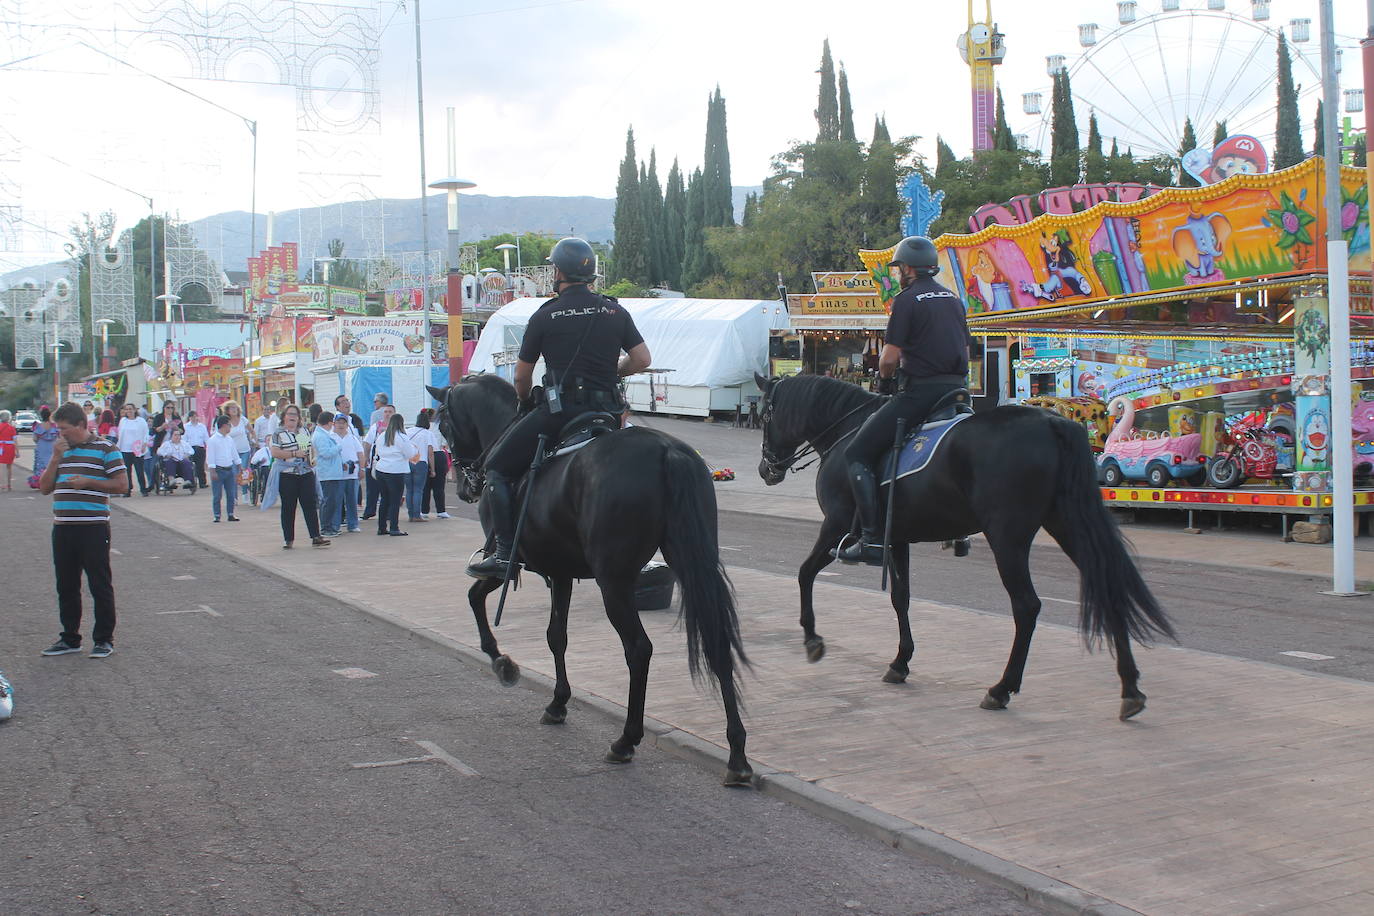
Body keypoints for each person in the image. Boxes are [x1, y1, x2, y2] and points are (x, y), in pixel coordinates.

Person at [466, 237, 651, 578]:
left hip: (561, 412)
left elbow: (521, 377)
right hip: (608, 413)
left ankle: (504, 555)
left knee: (497, 468)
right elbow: (641, 359)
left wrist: (524, 401)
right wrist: (615, 371)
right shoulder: (614, 311)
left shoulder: (545, 315)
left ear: (559, 272)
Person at [835, 235, 970, 565]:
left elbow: (889, 358)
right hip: (957, 392)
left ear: (908, 269)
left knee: (857, 454)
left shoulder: (906, 301)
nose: (897, 274)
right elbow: (966, 351)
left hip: (921, 393)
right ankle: (960, 531)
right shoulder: (953, 299)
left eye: (898, 269)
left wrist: (884, 382)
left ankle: (871, 540)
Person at [38, 402, 128, 658]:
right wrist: (55, 458)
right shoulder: (61, 451)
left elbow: (122, 485)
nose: (61, 433)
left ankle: (103, 639)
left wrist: (88, 482)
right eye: (58, 429)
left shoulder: (106, 449)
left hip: (93, 527)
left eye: (64, 428)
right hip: (63, 527)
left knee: (99, 584)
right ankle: (70, 638)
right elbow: (44, 488)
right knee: (66, 585)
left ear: (80, 424)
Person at [268, 403, 328, 548]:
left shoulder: (302, 432)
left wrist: (311, 459)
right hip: (287, 474)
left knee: (310, 505)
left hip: (305, 472)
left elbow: (306, 450)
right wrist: (294, 453)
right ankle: (288, 539)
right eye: (289, 414)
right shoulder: (279, 433)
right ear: (284, 417)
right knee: (288, 507)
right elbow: (275, 453)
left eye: (295, 414)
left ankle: (315, 535)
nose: (292, 417)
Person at [371, 412, 417, 537]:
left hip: (381, 469)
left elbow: (377, 451)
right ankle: (394, 527)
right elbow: (409, 454)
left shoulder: (382, 435)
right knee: (395, 501)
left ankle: (382, 527)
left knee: (384, 499)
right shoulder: (402, 437)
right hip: (396, 470)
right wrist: (414, 449)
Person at [312, 410, 345, 538]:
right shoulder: (320, 436)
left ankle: (329, 526)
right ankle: (326, 528)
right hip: (327, 473)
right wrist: (338, 447)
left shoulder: (323, 434)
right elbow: (325, 453)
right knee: (328, 501)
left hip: (332, 472)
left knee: (332, 501)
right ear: (330, 423)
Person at [360, 403, 395, 520]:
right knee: (372, 488)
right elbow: (367, 442)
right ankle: (370, 510)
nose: (387, 414)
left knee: (389, 489)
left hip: (391, 462)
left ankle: (389, 513)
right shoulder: (376, 426)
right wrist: (366, 457)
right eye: (386, 412)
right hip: (375, 460)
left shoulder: (397, 428)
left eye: (390, 412)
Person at [331, 412, 364, 533]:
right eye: (338, 422)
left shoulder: (352, 438)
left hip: (352, 473)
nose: (341, 425)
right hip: (337, 474)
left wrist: (362, 468)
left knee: (352, 500)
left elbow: (360, 453)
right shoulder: (331, 437)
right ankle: (335, 525)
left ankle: (353, 524)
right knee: (337, 501)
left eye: (343, 423)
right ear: (334, 424)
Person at [206, 414, 242, 523]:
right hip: (218, 469)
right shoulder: (213, 440)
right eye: (229, 425)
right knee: (217, 495)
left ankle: (231, 514)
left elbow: (234, 453)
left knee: (231, 493)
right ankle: (217, 515)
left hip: (229, 468)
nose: (230, 427)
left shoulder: (229, 439)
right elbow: (210, 456)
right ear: (223, 425)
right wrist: (212, 471)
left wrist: (239, 465)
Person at [417, 408, 451, 519]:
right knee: (439, 486)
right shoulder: (439, 426)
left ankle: (424, 510)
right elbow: (445, 443)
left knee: (425, 486)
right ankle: (441, 510)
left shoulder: (418, 430)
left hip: (423, 456)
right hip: (438, 454)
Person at [220, 401, 255, 499]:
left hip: (244, 450)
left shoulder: (243, 419)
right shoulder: (226, 422)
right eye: (232, 408)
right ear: (227, 410)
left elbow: (252, 431)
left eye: (235, 408)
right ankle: (234, 497)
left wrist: (254, 440)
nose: (234, 410)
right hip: (232, 452)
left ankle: (245, 493)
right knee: (234, 473)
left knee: (243, 470)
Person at [115, 403, 151, 496]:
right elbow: (119, 433)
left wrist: (144, 444)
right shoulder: (123, 421)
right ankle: (128, 490)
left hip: (137, 449)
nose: (129, 411)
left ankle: (143, 489)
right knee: (127, 471)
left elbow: (146, 433)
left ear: (135, 410)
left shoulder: (141, 421)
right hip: (125, 449)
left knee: (139, 470)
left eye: (130, 409)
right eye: (127, 409)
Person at [403, 414, 434, 522]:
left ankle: (411, 515)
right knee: (418, 490)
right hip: (421, 462)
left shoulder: (407, 431)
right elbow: (430, 452)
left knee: (409, 490)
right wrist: (433, 469)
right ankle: (417, 515)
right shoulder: (428, 433)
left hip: (408, 462)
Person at [156, 428, 196, 492]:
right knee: (169, 461)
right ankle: (171, 480)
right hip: (171, 462)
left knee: (187, 462)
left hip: (182, 462)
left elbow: (192, 451)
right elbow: (159, 451)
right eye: (175, 435)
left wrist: (187, 455)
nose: (177, 436)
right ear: (171, 436)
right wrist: (165, 454)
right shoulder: (166, 444)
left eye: (178, 435)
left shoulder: (184, 444)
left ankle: (188, 481)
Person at [183, 410, 210, 488]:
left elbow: (206, 438)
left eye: (195, 416)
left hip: (200, 448)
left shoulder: (202, 426)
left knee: (200, 466)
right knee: (189, 466)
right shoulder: (185, 426)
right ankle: (190, 482)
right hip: (190, 448)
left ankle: (202, 482)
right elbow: (184, 439)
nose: (194, 418)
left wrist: (209, 446)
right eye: (192, 417)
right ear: (189, 418)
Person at [31, 407, 60, 477]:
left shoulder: (38, 426)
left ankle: (40, 479)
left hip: (41, 447)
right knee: (52, 464)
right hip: (52, 447)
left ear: (41, 416)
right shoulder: (55, 426)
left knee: (40, 466)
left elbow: (35, 439)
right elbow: (60, 437)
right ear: (50, 415)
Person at [0, 409, 17, 491]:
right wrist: (17, 452)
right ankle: (9, 484)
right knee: (9, 467)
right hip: (9, 447)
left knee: (0, 467)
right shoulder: (11, 428)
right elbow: (15, 441)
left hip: (1, 447)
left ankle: (1, 484)